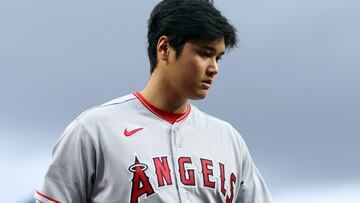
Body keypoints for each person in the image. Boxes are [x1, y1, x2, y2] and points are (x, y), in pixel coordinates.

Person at [34, 0, 272, 202]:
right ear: (164, 48)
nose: (214, 69)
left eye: (218, 58)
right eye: (205, 53)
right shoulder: (94, 130)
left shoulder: (228, 139)